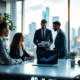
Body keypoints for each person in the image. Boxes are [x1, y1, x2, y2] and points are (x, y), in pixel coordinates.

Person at [0, 16, 25, 80]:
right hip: (2, 72)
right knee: (23, 77)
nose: (9, 31)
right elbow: (7, 61)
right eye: (8, 29)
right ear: (4, 30)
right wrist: (18, 60)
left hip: (3, 68)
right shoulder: (0, 41)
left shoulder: (1, 40)